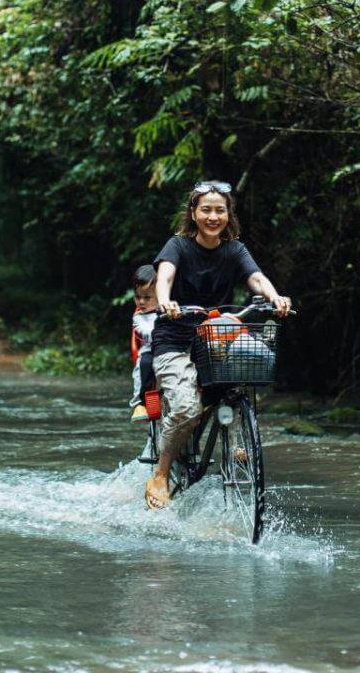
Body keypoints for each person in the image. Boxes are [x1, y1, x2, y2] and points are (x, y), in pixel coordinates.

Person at [145, 180, 291, 510]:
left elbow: (256, 277)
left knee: (241, 375)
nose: (213, 217)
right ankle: (161, 473)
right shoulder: (178, 246)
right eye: (206, 210)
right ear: (194, 213)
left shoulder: (234, 250)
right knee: (186, 408)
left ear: (228, 215)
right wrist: (165, 301)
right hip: (175, 338)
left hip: (214, 336)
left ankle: (235, 437)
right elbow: (165, 276)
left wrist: (274, 296)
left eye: (220, 210)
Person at [129, 264, 158, 424]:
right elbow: (145, 331)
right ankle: (140, 403)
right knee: (144, 364)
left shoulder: (170, 309)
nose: (141, 301)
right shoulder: (139, 316)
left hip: (172, 348)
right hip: (150, 350)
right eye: (137, 297)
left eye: (147, 298)